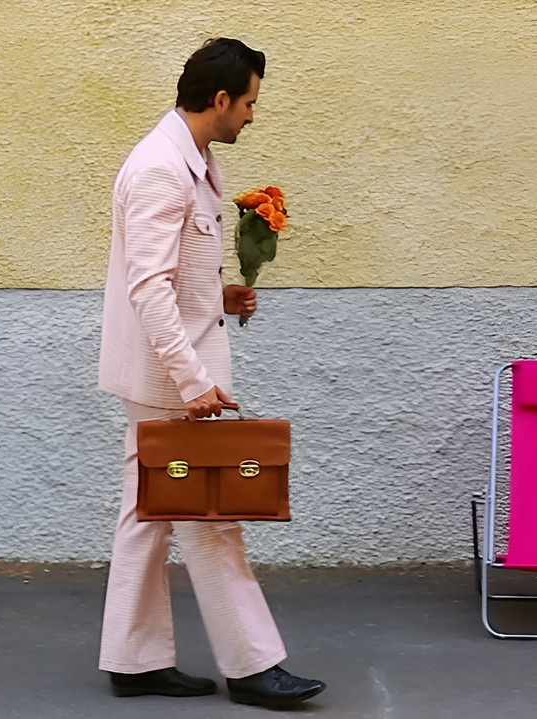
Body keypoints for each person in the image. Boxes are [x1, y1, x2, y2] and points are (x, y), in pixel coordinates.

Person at [96, 37, 325, 709]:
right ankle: (253, 666)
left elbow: (170, 275)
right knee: (210, 513)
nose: (253, 115)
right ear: (220, 99)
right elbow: (146, 287)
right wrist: (193, 381)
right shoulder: (160, 168)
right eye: (250, 102)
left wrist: (217, 295)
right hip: (173, 377)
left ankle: (133, 660)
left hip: (170, 367)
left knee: (148, 511)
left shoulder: (187, 157)